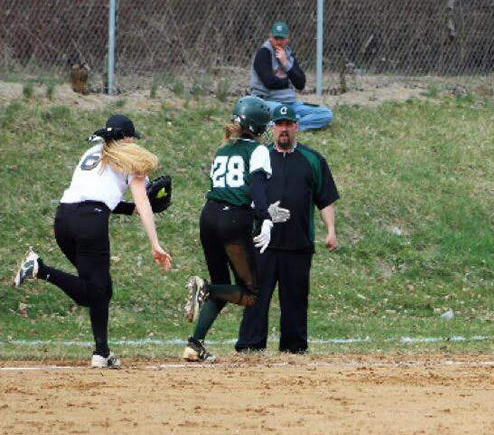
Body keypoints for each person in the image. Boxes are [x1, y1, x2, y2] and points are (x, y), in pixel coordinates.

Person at [12, 114, 172, 368]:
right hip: (90, 222)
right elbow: (141, 200)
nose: (134, 142)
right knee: (94, 292)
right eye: (132, 137)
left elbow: (99, 195)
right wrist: (155, 243)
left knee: (101, 289)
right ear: (126, 138)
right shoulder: (131, 159)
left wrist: (134, 209)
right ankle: (41, 270)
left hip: (64, 219)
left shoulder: (94, 151)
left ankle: (102, 353)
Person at [181, 96, 291, 362]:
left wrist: (262, 212)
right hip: (232, 222)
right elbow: (255, 186)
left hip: (209, 217)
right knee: (251, 294)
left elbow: (229, 189)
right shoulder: (258, 150)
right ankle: (204, 287)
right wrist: (266, 218)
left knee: (222, 286)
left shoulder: (224, 149)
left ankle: (195, 344)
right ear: (256, 126)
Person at [235, 105, 339, 354]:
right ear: (272, 128)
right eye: (279, 124)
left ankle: (294, 348)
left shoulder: (313, 160)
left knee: (295, 300)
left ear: (297, 127)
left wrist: (331, 230)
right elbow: (246, 195)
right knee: (256, 297)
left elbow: (324, 199)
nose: (284, 129)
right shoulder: (260, 157)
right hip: (263, 242)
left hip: (298, 243)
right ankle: (250, 345)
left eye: (288, 124)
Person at [249, 20, 333, 131]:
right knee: (284, 112)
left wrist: (286, 64)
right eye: (276, 38)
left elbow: (300, 83)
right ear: (270, 37)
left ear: (287, 39)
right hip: (267, 103)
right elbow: (269, 82)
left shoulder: (288, 54)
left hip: (291, 104)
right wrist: (288, 80)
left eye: (281, 39)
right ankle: (290, 123)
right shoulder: (263, 53)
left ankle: (285, 125)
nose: (278, 42)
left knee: (326, 113)